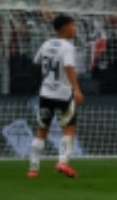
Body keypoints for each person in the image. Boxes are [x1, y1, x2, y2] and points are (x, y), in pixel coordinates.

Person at [28, 14, 83, 179]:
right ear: (65, 27)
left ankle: (33, 168)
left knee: (42, 129)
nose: (75, 29)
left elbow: (36, 61)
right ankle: (63, 162)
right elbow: (69, 67)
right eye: (73, 25)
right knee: (69, 128)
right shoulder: (67, 47)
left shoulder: (46, 44)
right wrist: (76, 89)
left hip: (45, 93)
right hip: (63, 94)